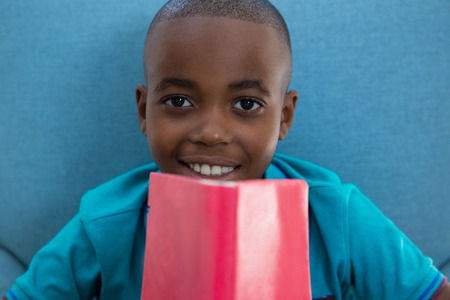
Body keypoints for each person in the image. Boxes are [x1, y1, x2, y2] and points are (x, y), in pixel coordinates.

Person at [4, 0, 450, 299]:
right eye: (178, 102)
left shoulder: (337, 215)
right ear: (144, 110)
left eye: (246, 105)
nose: (212, 133)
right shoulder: (105, 223)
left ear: (285, 118)